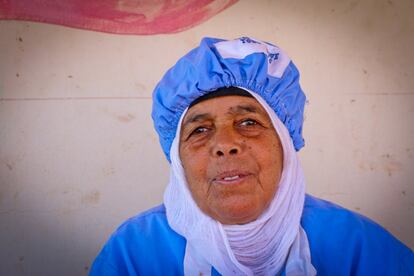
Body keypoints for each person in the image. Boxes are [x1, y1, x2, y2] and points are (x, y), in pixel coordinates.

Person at [90, 37, 413, 275]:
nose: (225, 144)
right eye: (199, 130)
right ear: (178, 158)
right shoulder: (135, 250)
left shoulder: (355, 244)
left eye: (248, 123)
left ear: (285, 143)